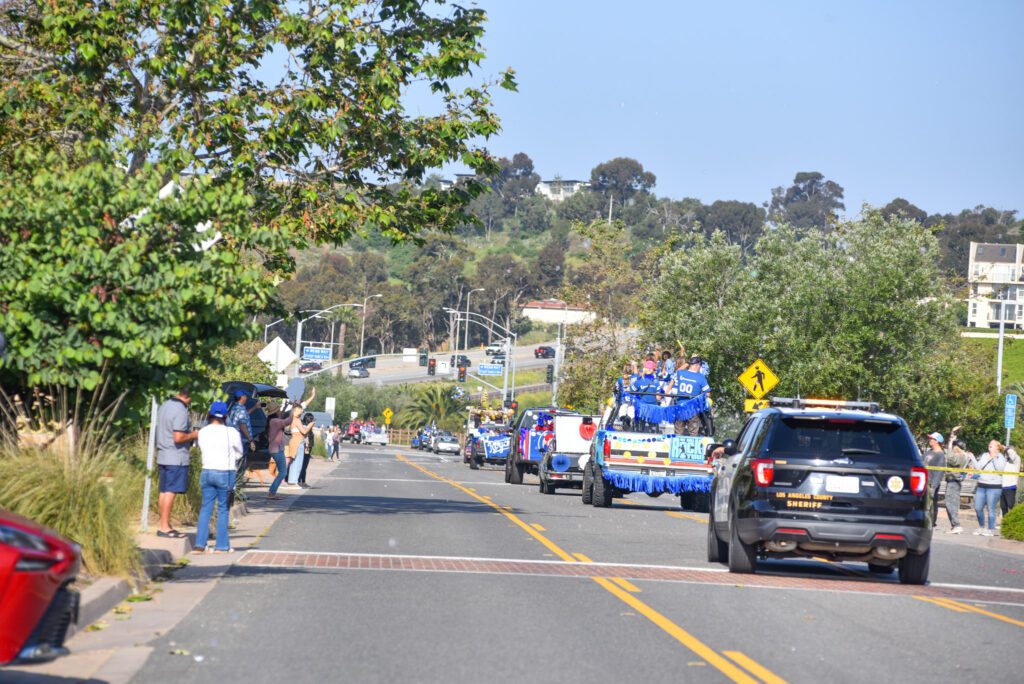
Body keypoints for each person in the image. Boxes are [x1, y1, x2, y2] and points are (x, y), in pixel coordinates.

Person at [193, 401, 243, 553]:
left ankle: (200, 545)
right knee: (223, 509)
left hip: (206, 471)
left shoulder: (202, 432)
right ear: (225, 416)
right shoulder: (232, 432)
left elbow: (199, 447)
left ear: (210, 414)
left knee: (205, 508)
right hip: (225, 472)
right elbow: (239, 452)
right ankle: (221, 546)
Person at [154, 389, 198, 538]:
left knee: (164, 490)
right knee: (171, 492)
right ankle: (165, 527)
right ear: (188, 395)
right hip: (176, 456)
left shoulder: (165, 405)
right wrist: (195, 434)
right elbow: (178, 437)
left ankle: (163, 523)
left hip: (163, 455)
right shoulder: (180, 410)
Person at [967, 440, 1008, 536]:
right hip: (981, 485)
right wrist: (972, 457)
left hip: (994, 487)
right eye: (989, 443)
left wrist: (994, 458)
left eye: (992, 444)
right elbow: (979, 467)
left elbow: (1000, 470)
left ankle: (990, 529)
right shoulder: (985, 455)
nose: (990, 444)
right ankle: (981, 527)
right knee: (978, 507)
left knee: (991, 508)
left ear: (997, 447)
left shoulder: (1000, 457)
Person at [668, 356, 710, 437]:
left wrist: (688, 362)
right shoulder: (701, 377)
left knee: (678, 432)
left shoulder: (680, 373)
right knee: (693, 433)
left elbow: (677, 371)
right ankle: (692, 448)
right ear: (697, 365)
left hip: (680, 407)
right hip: (693, 409)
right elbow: (707, 393)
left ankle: (677, 447)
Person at [943, 428, 971, 534]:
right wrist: (951, 438)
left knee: (951, 504)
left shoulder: (961, 456)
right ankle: (954, 526)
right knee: (949, 503)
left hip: (954, 482)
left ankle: (957, 525)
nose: (952, 447)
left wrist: (950, 442)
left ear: (958, 447)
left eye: (954, 446)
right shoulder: (961, 455)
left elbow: (950, 458)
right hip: (952, 481)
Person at [265, 403, 292, 500]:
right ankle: (271, 492)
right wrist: (293, 409)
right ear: (276, 411)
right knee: (283, 472)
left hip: (275, 449)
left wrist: (285, 407)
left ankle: (272, 492)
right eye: (279, 409)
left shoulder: (272, 421)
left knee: (282, 472)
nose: (280, 411)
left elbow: (281, 417)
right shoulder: (275, 421)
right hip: (277, 450)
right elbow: (288, 421)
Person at [629, 359, 663, 433]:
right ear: (653, 370)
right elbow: (658, 397)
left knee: (639, 430)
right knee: (653, 431)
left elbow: (630, 390)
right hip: (653, 408)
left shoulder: (639, 381)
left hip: (642, 408)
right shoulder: (656, 382)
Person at [923, 432, 946, 525]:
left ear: (937, 441)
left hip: (931, 483)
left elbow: (939, 472)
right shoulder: (929, 452)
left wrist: (934, 487)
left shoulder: (940, 455)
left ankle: (932, 521)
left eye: (931, 439)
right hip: (923, 481)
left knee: (932, 503)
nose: (930, 440)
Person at [1001, 445, 1021, 517]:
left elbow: (1012, 455)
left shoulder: (1016, 459)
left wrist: (1006, 448)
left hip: (1011, 486)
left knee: (1011, 506)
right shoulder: (1006, 460)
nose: (1006, 453)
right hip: (1003, 486)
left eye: (1008, 451)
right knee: (1003, 507)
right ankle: (1005, 523)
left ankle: (1013, 522)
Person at [298, 413, 316, 487]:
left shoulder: (309, 428)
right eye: (312, 419)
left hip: (308, 449)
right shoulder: (305, 427)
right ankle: (299, 481)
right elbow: (305, 438)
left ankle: (303, 481)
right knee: (303, 465)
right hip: (305, 448)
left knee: (305, 465)